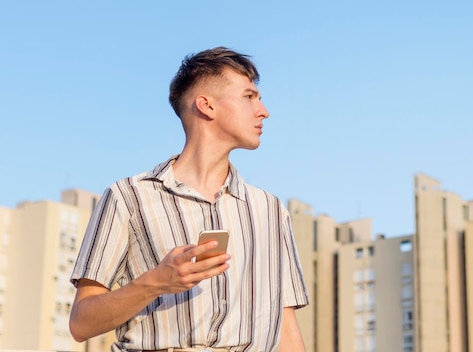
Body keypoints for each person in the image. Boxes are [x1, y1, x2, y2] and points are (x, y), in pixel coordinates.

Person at [69, 47, 309, 352]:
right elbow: (80, 324)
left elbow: (286, 330)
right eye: (249, 97)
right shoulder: (128, 197)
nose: (263, 110)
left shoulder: (271, 210)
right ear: (207, 106)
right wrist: (156, 282)